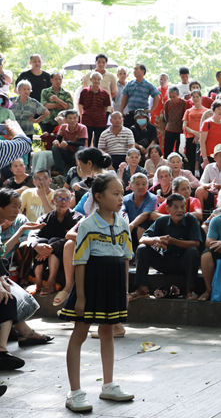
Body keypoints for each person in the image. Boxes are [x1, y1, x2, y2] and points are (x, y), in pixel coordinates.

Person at [57, 173, 133, 412]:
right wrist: (80, 296)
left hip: (114, 284)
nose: (120, 198)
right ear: (98, 197)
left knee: (107, 331)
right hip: (91, 283)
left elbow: (125, 260)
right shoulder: (88, 225)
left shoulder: (122, 223)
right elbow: (80, 261)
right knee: (80, 332)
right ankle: (75, 391)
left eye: (122, 193)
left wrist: (126, 292)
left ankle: (108, 384)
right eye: (115, 193)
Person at [130, 193, 203, 301]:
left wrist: (173, 241)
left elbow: (196, 243)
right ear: (168, 209)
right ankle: (142, 289)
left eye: (182, 207)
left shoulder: (190, 220)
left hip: (184, 263)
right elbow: (142, 239)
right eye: (176, 207)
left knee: (192, 251)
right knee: (142, 249)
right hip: (165, 261)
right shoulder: (162, 221)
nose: (180, 210)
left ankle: (190, 291)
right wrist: (156, 240)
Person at [25, 187, 81, 297]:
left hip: (64, 255)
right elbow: (32, 234)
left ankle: (51, 281)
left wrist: (51, 248)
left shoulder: (77, 218)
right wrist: (37, 245)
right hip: (43, 255)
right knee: (40, 241)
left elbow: (72, 237)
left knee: (54, 241)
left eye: (66, 199)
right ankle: (38, 281)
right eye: (59, 198)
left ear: (70, 201)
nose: (63, 202)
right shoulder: (45, 218)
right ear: (53, 201)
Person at [195, 144, 221, 209]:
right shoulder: (208, 167)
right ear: (215, 158)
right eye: (220, 156)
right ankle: (200, 215)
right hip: (212, 194)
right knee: (199, 190)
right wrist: (210, 185)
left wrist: (219, 186)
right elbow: (201, 183)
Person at [122, 173, 158, 249]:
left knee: (143, 224)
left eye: (144, 184)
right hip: (129, 230)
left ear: (147, 186)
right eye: (137, 184)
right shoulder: (125, 199)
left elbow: (145, 214)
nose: (141, 187)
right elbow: (122, 213)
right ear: (131, 186)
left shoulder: (152, 198)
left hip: (147, 231)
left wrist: (131, 225)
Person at [120, 64, 160, 128]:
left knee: (142, 133)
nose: (134, 71)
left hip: (142, 114)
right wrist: (121, 110)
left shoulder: (148, 85)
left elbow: (157, 97)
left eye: (136, 69)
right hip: (131, 113)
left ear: (143, 71)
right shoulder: (130, 84)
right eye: (134, 69)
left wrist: (151, 110)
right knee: (129, 132)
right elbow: (125, 97)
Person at [78, 72, 112, 148]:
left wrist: (102, 115)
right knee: (86, 140)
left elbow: (106, 107)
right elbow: (80, 104)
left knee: (99, 141)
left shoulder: (105, 93)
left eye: (98, 79)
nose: (96, 81)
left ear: (100, 81)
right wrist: (81, 116)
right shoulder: (84, 92)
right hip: (87, 119)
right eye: (94, 79)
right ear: (90, 80)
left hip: (100, 120)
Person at [52, 110, 87, 174]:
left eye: (74, 118)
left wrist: (68, 143)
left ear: (78, 119)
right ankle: (60, 170)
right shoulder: (63, 127)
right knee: (55, 147)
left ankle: (80, 169)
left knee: (81, 148)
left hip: (78, 153)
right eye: (70, 118)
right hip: (67, 152)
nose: (72, 120)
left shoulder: (82, 127)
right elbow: (58, 138)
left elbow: (82, 143)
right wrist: (56, 141)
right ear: (65, 119)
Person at [182, 89, 208, 175]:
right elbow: (184, 126)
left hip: (203, 138)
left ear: (201, 98)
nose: (196, 98)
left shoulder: (206, 111)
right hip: (190, 138)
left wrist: (199, 135)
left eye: (197, 96)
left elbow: (207, 126)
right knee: (191, 159)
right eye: (193, 97)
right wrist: (195, 133)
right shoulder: (188, 111)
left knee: (201, 159)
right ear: (191, 98)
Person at [200, 101, 221, 167]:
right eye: (219, 109)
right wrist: (205, 159)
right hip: (209, 156)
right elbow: (202, 142)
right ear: (213, 110)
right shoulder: (207, 123)